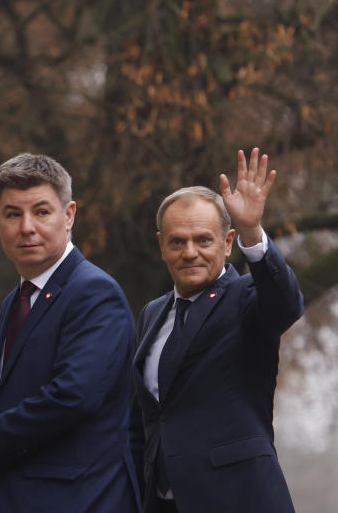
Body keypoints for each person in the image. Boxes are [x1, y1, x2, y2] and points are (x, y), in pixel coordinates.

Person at [0, 153, 140, 512]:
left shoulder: (94, 292)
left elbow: (73, 397)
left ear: (69, 215)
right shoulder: (14, 302)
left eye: (41, 212)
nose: (27, 227)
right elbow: (26, 398)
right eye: (13, 214)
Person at [130, 148, 305, 513]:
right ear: (162, 245)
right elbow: (147, 419)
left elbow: (285, 305)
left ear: (227, 243)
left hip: (238, 499)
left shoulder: (245, 296)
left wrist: (253, 234)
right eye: (177, 241)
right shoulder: (152, 313)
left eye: (203, 240)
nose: (190, 252)